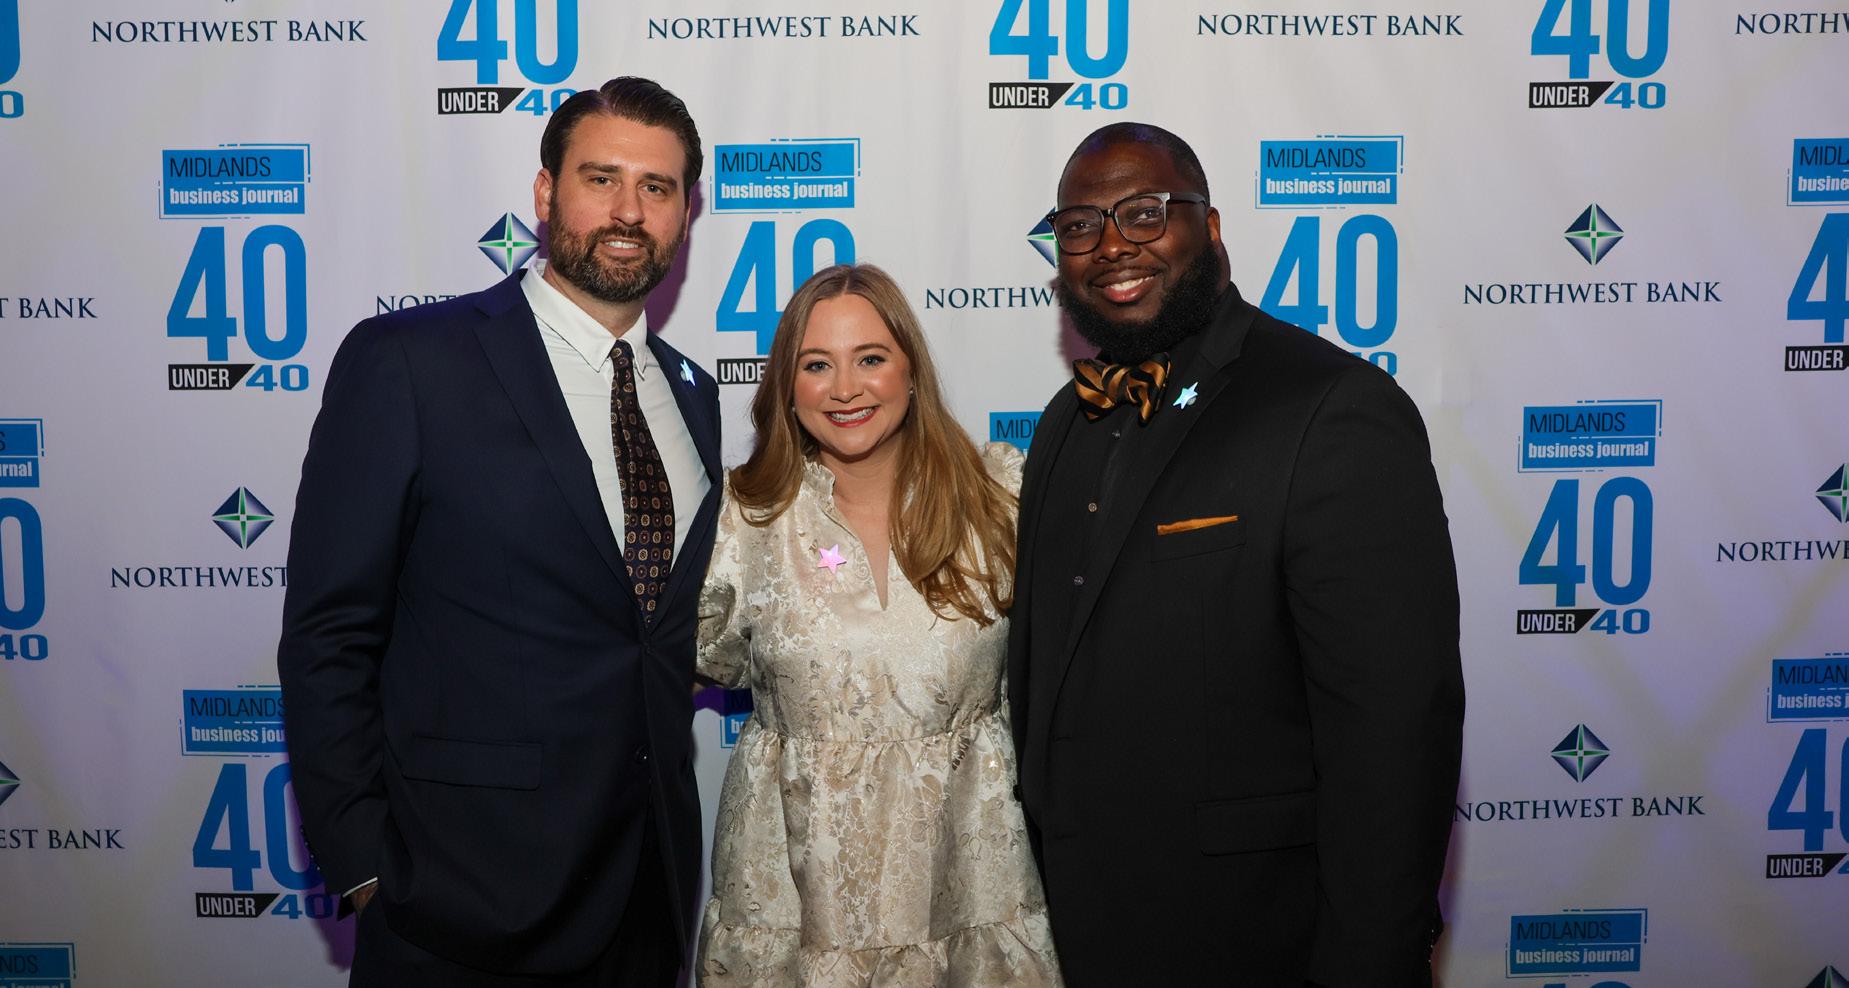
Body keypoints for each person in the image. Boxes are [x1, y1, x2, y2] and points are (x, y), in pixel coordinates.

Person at [278, 77, 720, 987]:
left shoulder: (694, 395)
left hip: (647, 898)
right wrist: (365, 867)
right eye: (600, 178)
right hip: (455, 907)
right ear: (545, 193)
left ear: (687, 212)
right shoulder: (410, 361)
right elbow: (329, 632)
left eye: (657, 187)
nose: (628, 211)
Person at [1007, 122, 1464, 986]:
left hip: (1257, 936)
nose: (1111, 246)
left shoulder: (1330, 409)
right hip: (1079, 932)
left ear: (1209, 227)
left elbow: (1395, 732)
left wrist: (1371, 963)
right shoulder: (1065, 422)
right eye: (1079, 226)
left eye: (1144, 213)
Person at [695, 263, 1062, 985]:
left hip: (970, 885)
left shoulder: (1000, 498)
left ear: (910, 370)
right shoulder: (741, 519)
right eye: (816, 365)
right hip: (794, 900)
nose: (845, 389)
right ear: (786, 387)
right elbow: (701, 660)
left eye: (869, 358)